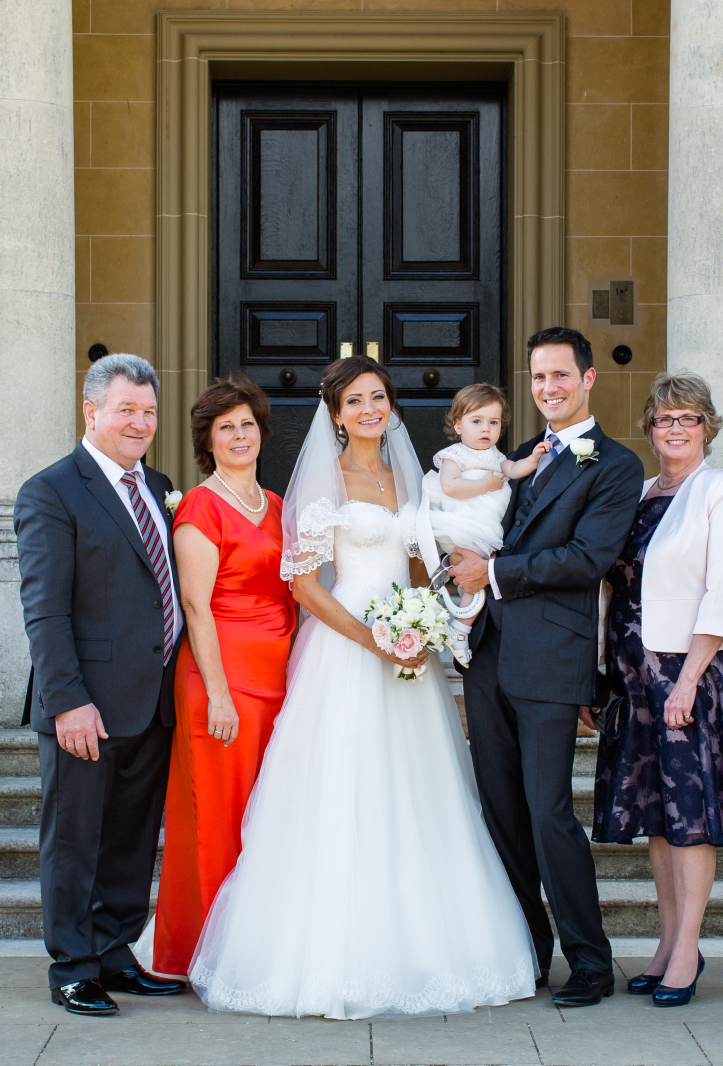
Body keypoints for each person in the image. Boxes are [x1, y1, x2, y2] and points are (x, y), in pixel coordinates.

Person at [188, 355, 539, 1019]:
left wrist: (423, 623)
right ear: (336, 414)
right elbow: (305, 588)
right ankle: (329, 957)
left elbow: (418, 566)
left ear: (392, 405)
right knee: (343, 784)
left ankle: (428, 946)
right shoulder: (325, 480)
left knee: (419, 787)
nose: (369, 409)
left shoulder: (413, 479)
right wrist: (371, 638)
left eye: (377, 397)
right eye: (354, 401)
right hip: (345, 648)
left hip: (405, 649)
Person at [450, 326, 646, 1008]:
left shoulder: (616, 466)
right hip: (489, 656)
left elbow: (589, 558)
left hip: (553, 660)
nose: (549, 387)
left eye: (561, 374)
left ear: (587, 378)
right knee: (502, 813)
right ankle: (525, 954)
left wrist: (493, 571)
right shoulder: (513, 459)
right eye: (538, 377)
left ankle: (590, 959)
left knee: (549, 811)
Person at [588, 373, 723, 1008]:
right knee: (659, 820)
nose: (675, 428)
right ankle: (666, 945)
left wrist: (689, 680)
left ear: (707, 427)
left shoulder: (722, 488)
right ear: (650, 427)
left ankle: (688, 950)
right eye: (664, 418)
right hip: (634, 674)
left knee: (690, 818)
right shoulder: (642, 492)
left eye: (688, 418)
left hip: (692, 673)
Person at [13, 353, 189, 1017]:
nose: (140, 422)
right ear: (91, 412)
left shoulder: (159, 487)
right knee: (74, 839)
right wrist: (67, 702)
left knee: (132, 840)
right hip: (85, 704)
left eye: (148, 411)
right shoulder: (51, 491)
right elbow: (44, 610)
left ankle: (115, 953)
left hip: (152, 700)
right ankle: (72, 967)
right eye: (126, 410)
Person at [139, 374, 294, 979]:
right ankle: (211, 957)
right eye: (225, 427)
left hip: (279, 680)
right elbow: (195, 606)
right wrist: (220, 696)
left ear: (262, 432)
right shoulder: (201, 506)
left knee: (267, 817)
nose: (238, 435)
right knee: (220, 820)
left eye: (247, 424)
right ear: (207, 440)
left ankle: (260, 946)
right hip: (222, 680)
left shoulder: (276, 505)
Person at [421, 383, 549, 663]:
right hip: (461, 523)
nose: (486, 429)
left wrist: (534, 458)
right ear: (458, 425)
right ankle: (460, 629)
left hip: (483, 528)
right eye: (476, 421)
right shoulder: (454, 455)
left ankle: (460, 625)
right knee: (479, 569)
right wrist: (487, 485)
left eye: (493, 422)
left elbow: (514, 469)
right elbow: (450, 486)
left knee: (483, 570)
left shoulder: (495, 456)